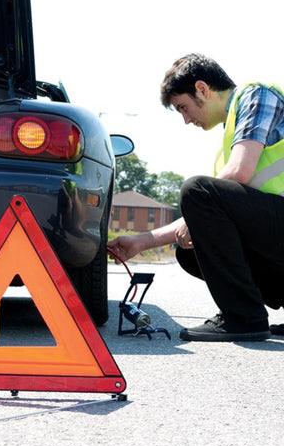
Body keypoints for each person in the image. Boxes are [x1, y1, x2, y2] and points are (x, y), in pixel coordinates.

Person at [108, 53, 284, 342]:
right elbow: (212, 208)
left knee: (197, 190)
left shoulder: (257, 94)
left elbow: (239, 172)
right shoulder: (232, 138)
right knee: (190, 251)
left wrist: (195, 213)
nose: (187, 120)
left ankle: (243, 318)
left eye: (184, 108)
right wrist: (141, 241)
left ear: (202, 89)